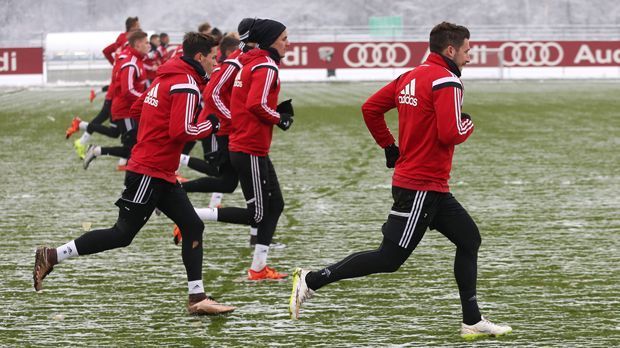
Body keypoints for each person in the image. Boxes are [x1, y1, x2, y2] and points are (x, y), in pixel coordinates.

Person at [289, 22, 512, 339]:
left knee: (469, 239)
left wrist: (389, 147)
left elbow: (371, 109)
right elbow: (451, 132)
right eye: (467, 50)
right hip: (421, 186)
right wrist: (469, 124)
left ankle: (472, 320)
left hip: (430, 186)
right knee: (389, 258)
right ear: (450, 50)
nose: (470, 56)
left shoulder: (411, 76)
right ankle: (312, 279)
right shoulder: (445, 81)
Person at [33, 32, 235, 315]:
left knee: (192, 225)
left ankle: (197, 298)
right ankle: (52, 255)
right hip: (149, 172)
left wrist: (155, 133)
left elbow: (138, 108)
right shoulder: (186, 83)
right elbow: (182, 131)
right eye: (214, 57)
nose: (217, 62)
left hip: (159, 170)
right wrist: (212, 124)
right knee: (122, 233)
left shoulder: (167, 77)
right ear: (200, 57)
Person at [215, 18, 293, 281]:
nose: (287, 43)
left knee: (276, 205)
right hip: (248, 147)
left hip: (251, 145)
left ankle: (258, 267)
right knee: (258, 213)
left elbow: (251, 103)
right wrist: (279, 118)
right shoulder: (265, 65)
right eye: (284, 39)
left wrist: (275, 112)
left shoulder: (252, 62)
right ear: (271, 41)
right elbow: (256, 104)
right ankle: (189, 215)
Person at [66, 16, 141, 160]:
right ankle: (80, 130)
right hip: (116, 93)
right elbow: (108, 52)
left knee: (114, 131)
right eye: (137, 28)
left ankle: (83, 137)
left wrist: (115, 64)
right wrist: (119, 66)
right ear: (132, 29)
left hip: (115, 90)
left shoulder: (121, 41)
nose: (139, 30)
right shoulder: (127, 43)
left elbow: (106, 51)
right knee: (110, 126)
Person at [82, 30, 150, 169]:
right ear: (137, 44)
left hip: (130, 110)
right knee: (131, 149)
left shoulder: (138, 61)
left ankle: (96, 149)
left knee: (133, 146)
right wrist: (148, 99)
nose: (149, 45)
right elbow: (128, 91)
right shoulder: (130, 63)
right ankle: (95, 149)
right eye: (146, 42)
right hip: (125, 111)